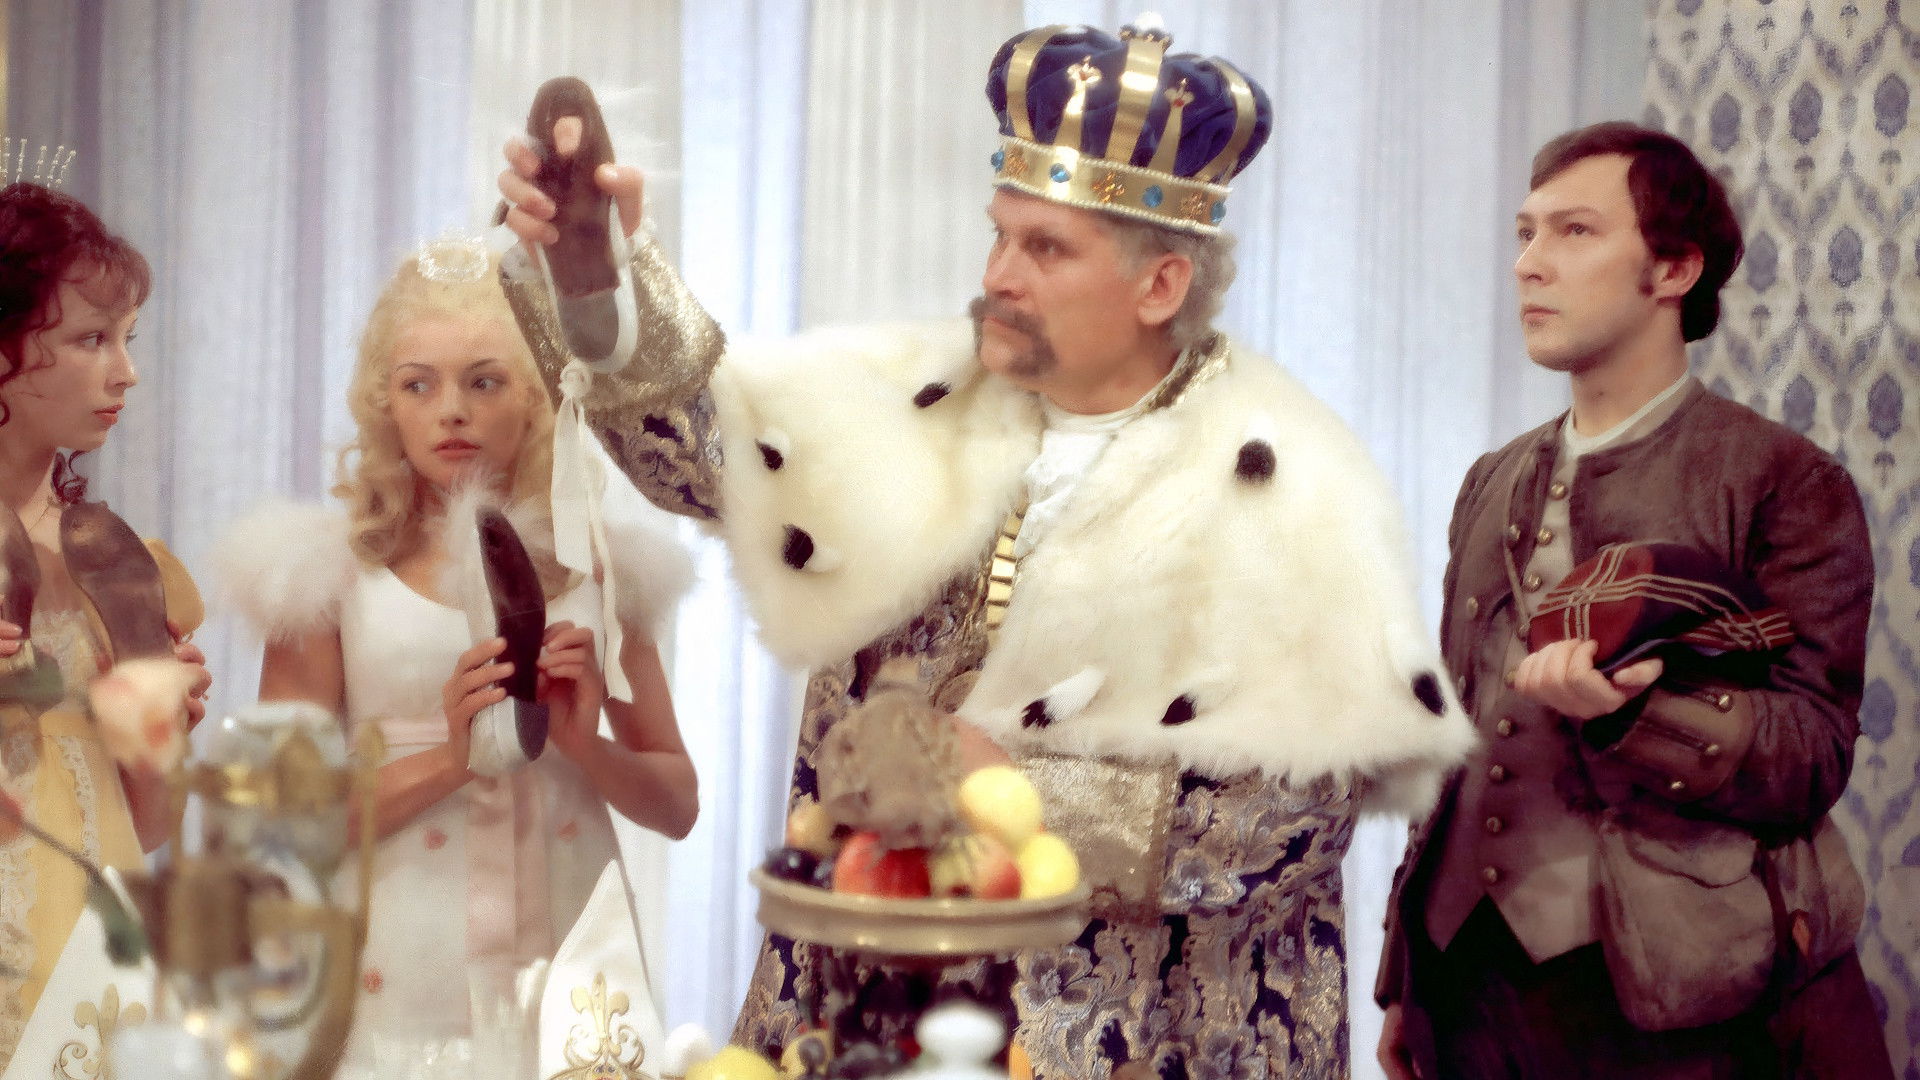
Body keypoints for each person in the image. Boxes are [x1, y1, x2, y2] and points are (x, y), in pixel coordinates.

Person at [496, 20, 1473, 1079]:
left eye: (1046, 248)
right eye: (999, 235)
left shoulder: (1288, 483)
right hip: (866, 1019)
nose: (998, 274)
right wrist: (595, 288)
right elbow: (710, 454)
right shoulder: (923, 397)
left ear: (1160, 286)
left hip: (1129, 1037)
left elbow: (1293, 817)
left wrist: (1007, 782)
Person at [1375, 122, 1893, 1079]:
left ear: (1675, 269)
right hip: (1463, 981)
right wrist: (1405, 976)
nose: (1529, 264)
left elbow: (1813, 754)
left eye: (1574, 232)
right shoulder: (1489, 479)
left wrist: (1632, 719)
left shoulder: (1781, 479)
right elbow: (1459, 728)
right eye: (1525, 233)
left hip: (1667, 999)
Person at [218, 241, 697, 1071]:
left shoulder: (601, 572)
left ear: (538, 397)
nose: (451, 412)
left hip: (569, 974)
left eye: (484, 382)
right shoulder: (327, 576)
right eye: (418, 385)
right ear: (385, 403)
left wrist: (583, 745)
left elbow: (678, 806)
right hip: (396, 974)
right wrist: (454, 758)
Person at [0, 180, 210, 1071]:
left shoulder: (119, 564)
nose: (126, 373)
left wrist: (157, 728)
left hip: (98, 956)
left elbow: (148, 825)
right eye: (92, 339)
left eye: (128, 339)